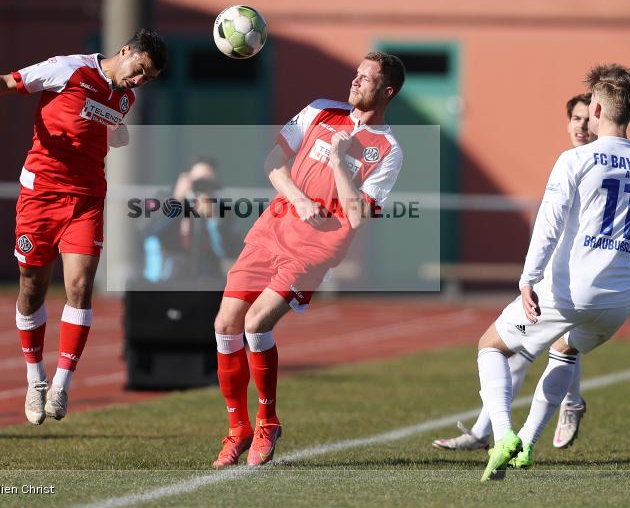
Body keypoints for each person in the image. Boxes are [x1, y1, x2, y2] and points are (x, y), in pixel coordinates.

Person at [0, 29, 168, 424]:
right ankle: (35, 377)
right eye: (140, 69)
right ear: (126, 51)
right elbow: (8, 81)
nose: (140, 80)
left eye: (149, 78)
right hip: (40, 197)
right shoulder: (67, 69)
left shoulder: (125, 97)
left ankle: (61, 384)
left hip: (86, 200)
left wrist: (119, 133)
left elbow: (109, 130)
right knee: (32, 287)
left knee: (79, 286)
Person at [211, 52, 406, 468]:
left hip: (314, 250)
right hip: (270, 231)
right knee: (225, 324)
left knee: (255, 323)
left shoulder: (388, 149)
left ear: (386, 91)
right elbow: (272, 163)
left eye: (366, 78)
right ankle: (237, 429)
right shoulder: (320, 110)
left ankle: (267, 421)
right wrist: (298, 200)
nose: (355, 82)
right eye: (356, 74)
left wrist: (339, 161)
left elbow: (357, 215)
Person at [477, 64, 630, 481]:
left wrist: (529, 279)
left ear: (596, 107)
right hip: (618, 301)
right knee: (565, 350)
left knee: (491, 346)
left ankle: (505, 435)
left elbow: (548, 224)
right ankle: (527, 443)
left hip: (568, 291)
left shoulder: (575, 158)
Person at [433, 92, 597, 452]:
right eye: (576, 119)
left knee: (547, 346)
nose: (582, 126)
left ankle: (568, 403)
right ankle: (484, 432)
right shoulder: (570, 161)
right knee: (520, 354)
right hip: (554, 280)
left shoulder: (599, 168)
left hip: (577, 282)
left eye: (588, 118)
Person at [142, 156, 241, 282]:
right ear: (186, 179)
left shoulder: (221, 208)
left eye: (207, 183)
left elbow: (231, 251)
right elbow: (147, 229)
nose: (201, 187)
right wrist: (175, 201)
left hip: (206, 279)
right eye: (197, 181)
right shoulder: (163, 199)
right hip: (168, 278)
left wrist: (214, 220)